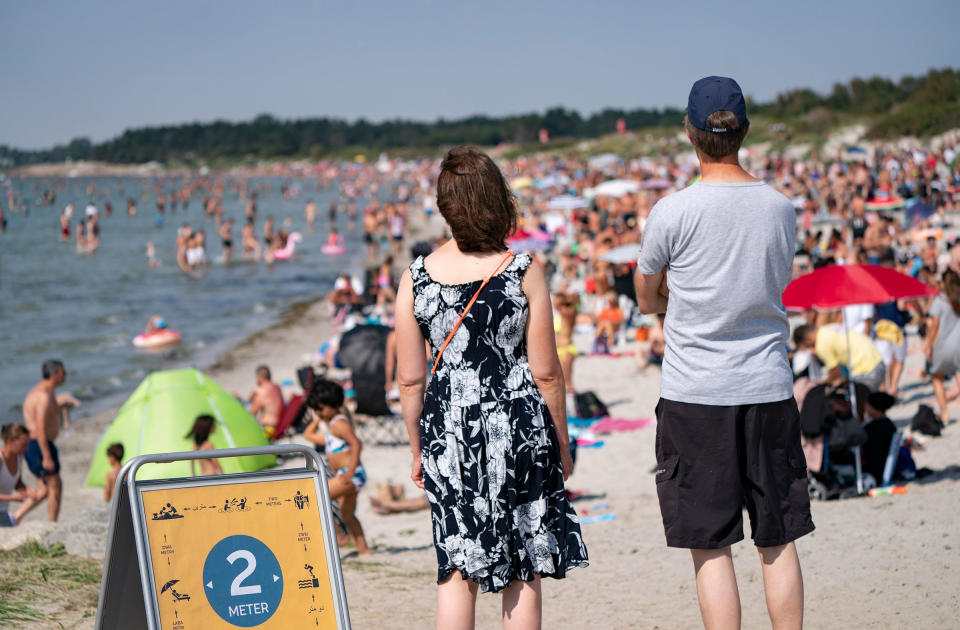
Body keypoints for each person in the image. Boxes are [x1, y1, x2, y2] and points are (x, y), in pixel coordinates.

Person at [635, 77, 813, 630]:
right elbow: (770, 284)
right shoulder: (780, 209)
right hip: (767, 383)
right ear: (745, 132)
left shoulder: (672, 211)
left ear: (690, 133)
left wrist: (680, 296)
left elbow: (646, 298)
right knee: (777, 536)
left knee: (711, 544)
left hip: (696, 392)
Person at [396, 145, 587, 629]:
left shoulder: (416, 280)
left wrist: (418, 448)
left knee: (458, 565)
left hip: (449, 432)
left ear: (445, 207)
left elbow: (410, 379)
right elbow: (547, 371)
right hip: (518, 425)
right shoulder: (522, 271)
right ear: (498, 201)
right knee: (524, 563)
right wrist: (562, 443)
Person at [302, 379, 370, 555]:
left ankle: (339, 539)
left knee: (318, 498)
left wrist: (351, 470)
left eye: (321, 409)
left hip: (350, 474)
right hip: (349, 474)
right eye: (315, 410)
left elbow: (356, 443)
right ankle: (364, 550)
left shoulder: (339, 424)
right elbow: (307, 434)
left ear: (334, 405)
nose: (319, 413)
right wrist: (318, 418)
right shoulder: (332, 429)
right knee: (346, 514)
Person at [22, 359, 68, 522]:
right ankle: (52, 523)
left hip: (40, 444)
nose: (66, 376)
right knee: (55, 484)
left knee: (44, 490)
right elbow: (40, 427)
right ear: (54, 374)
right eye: (63, 372)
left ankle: (16, 516)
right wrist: (47, 456)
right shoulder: (42, 395)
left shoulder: (46, 392)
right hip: (38, 445)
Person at [814, 312, 886, 391]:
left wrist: (822, 384)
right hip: (872, 359)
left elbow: (835, 372)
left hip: (866, 367)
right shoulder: (827, 328)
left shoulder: (821, 343)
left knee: (855, 395)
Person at [924, 269, 960, 424]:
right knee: (958, 375)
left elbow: (934, 325)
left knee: (937, 378)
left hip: (942, 344)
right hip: (958, 344)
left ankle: (945, 413)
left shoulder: (940, 300)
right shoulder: (957, 299)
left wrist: (928, 345)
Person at [0, 423, 41, 526]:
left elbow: (17, 482)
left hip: (3, 513)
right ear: (9, 441)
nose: (27, 448)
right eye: (23, 444)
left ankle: (13, 518)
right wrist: (12, 498)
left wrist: (26, 489)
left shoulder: (19, 457)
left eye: (27, 444)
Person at [249, 365, 284, 438]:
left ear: (258, 377)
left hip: (267, 428)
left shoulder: (261, 391)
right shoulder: (277, 387)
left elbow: (251, 413)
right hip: (280, 425)